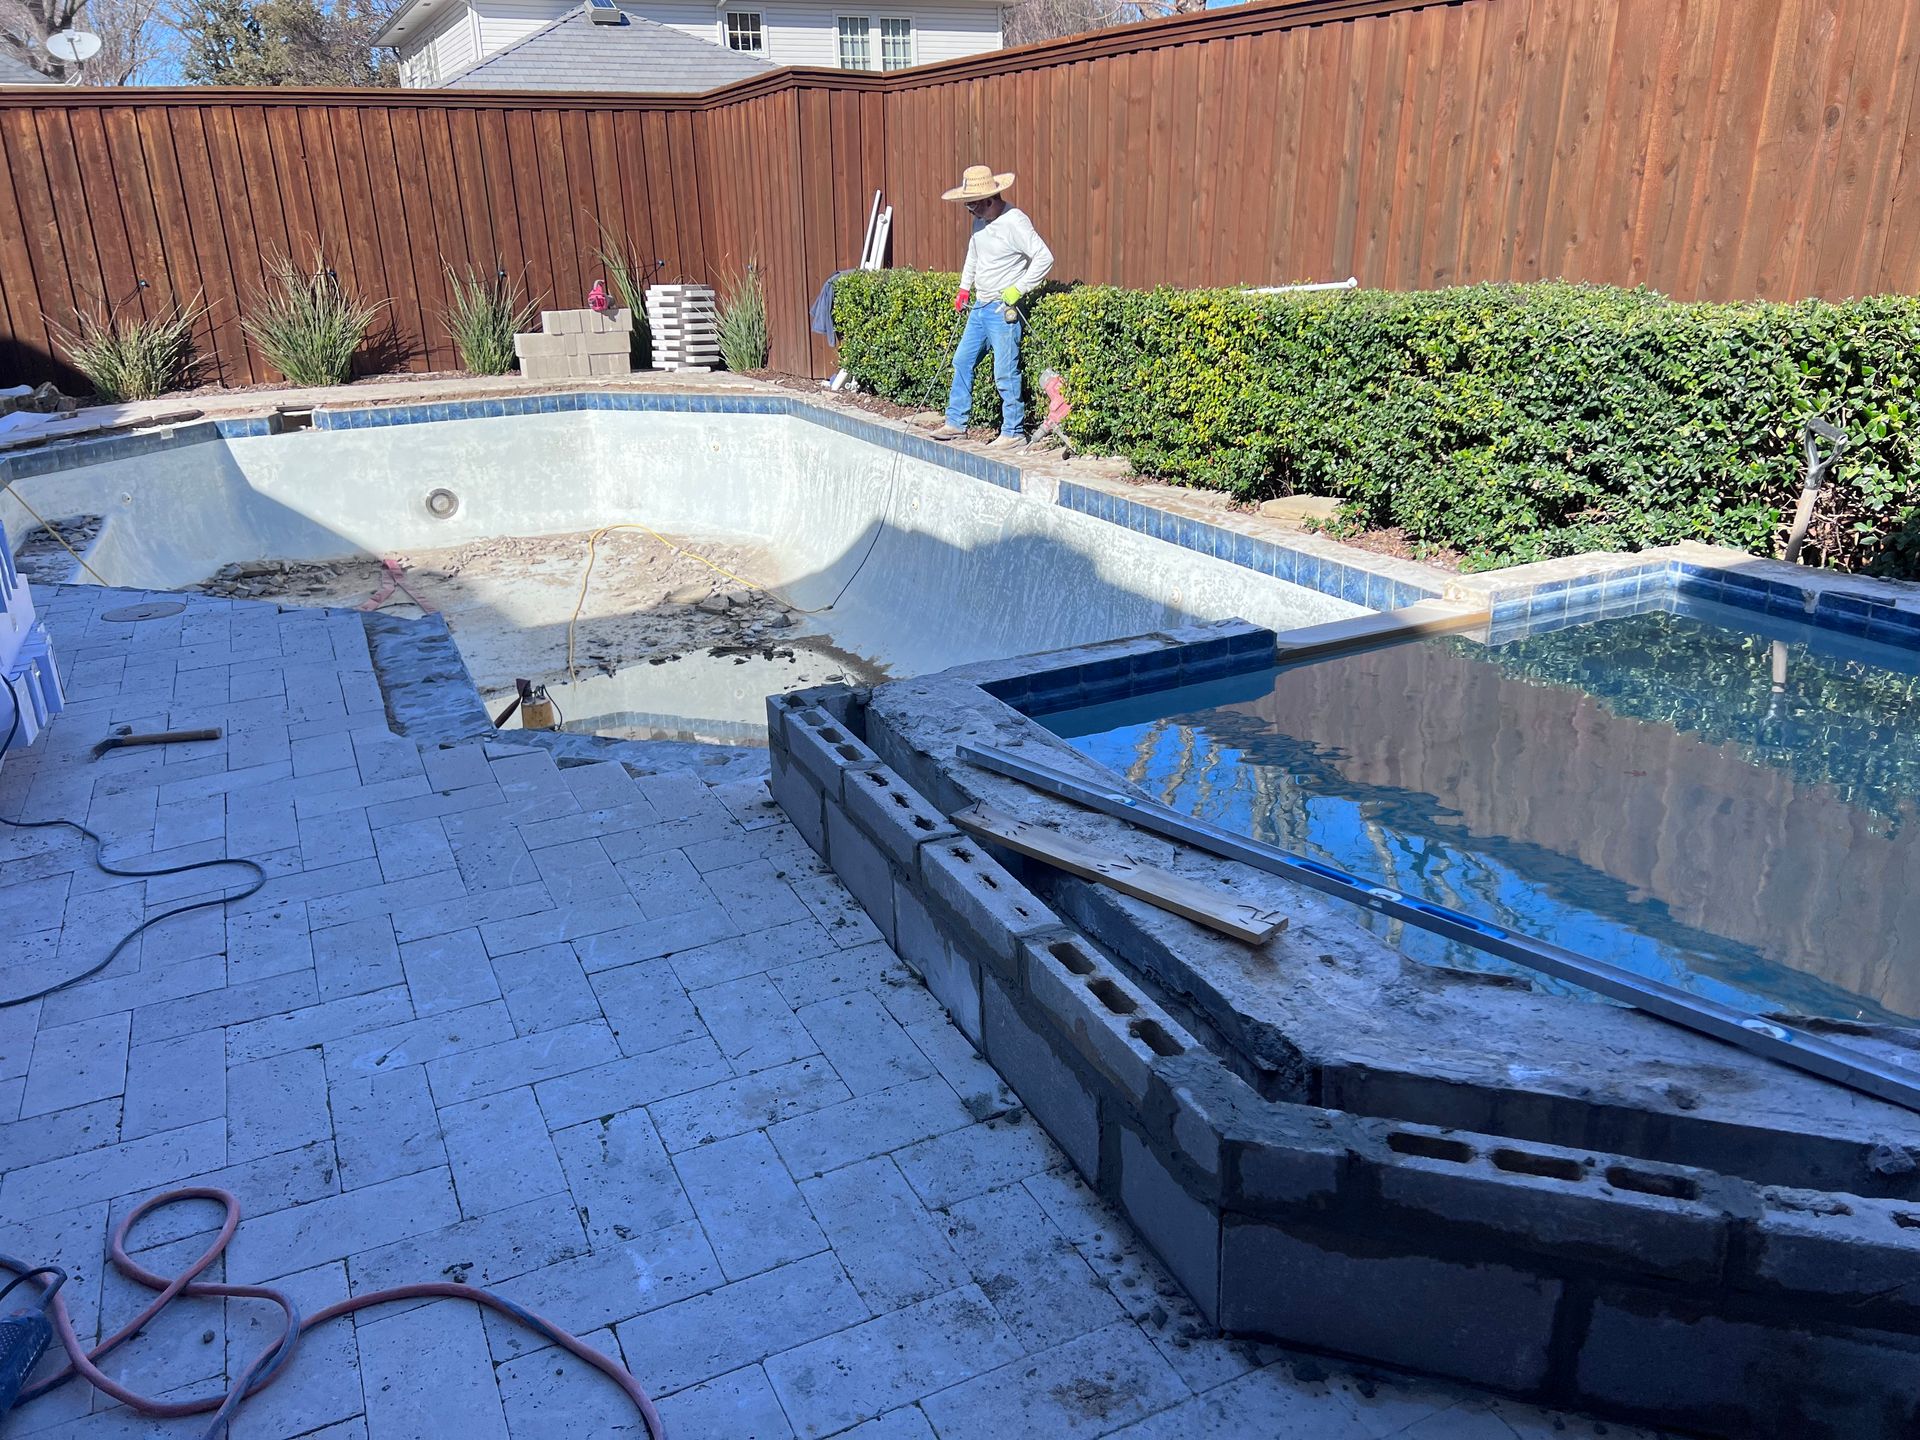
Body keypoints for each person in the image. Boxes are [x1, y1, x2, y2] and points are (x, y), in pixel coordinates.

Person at [929, 165, 1054, 448]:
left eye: (973, 205)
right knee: (962, 360)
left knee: (1005, 371)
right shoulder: (980, 223)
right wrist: (964, 287)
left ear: (989, 199)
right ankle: (955, 424)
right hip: (980, 307)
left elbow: (1044, 257)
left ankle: (1013, 432)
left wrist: (1018, 289)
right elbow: (973, 256)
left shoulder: (1015, 222)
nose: (970, 211)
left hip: (1002, 310)